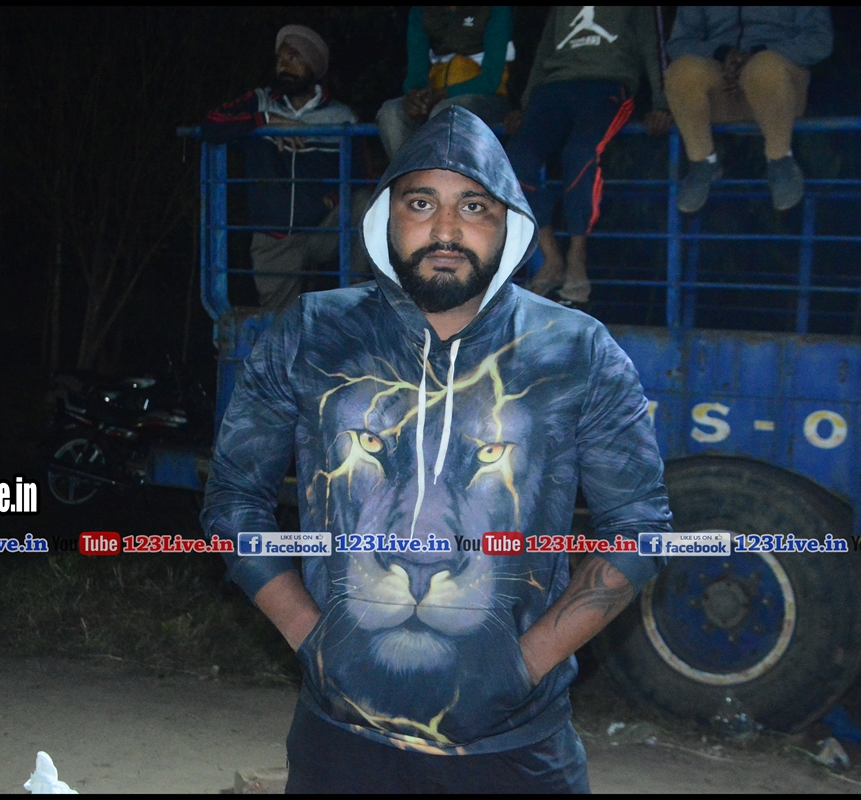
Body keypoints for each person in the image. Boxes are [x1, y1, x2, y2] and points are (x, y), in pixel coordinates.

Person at [201, 106, 671, 793]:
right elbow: (232, 500)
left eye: (474, 207)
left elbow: (640, 527)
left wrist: (524, 665)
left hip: (516, 751)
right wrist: (312, 637)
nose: (446, 230)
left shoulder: (575, 350)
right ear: (385, 217)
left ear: (508, 224)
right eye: (421, 203)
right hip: (340, 745)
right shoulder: (312, 333)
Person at [505, 6, 671, 311]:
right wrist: (526, 105)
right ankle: (551, 258)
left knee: (580, 154)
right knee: (515, 161)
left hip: (608, 85)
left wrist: (661, 104)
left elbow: (653, 46)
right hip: (553, 90)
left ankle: (576, 257)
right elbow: (544, 53)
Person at [200, 25, 367, 312]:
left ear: (313, 65)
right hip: (275, 238)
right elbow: (211, 124)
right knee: (278, 324)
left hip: (322, 228)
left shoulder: (341, 116)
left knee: (367, 203)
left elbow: (361, 176)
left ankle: (355, 305)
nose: (283, 66)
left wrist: (330, 201)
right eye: (279, 59)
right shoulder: (260, 102)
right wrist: (266, 121)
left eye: (293, 57)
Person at [663, 7, 834, 213]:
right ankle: (702, 162)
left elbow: (820, 40)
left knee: (763, 68)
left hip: (777, 85)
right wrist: (721, 54)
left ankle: (780, 161)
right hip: (724, 80)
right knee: (680, 72)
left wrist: (760, 52)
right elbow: (678, 43)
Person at [376, 6, 515, 160]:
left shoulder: (495, 9)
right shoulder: (421, 11)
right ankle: (407, 173)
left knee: (446, 113)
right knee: (391, 112)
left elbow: (491, 80)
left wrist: (444, 94)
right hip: (436, 98)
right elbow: (416, 73)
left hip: (487, 99)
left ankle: (442, 174)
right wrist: (414, 96)